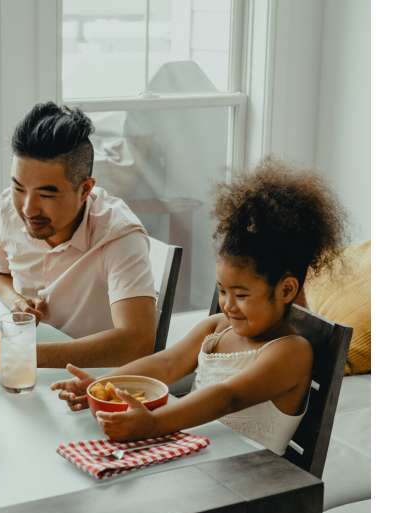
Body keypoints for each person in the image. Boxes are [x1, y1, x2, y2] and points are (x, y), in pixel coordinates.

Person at [51, 159, 347, 454]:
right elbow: (166, 363)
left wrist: (153, 424)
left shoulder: (290, 351)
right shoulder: (216, 329)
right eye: (222, 290)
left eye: (241, 295)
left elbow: (226, 397)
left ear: (286, 290)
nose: (228, 305)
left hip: (251, 482)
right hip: (195, 457)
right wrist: (102, 384)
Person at [0, 102, 158, 372]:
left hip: (94, 380)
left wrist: (19, 354)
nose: (28, 208)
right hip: (26, 370)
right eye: (19, 187)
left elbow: (137, 342)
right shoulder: (9, 208)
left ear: (86, 189)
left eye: (46, 194)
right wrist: (15, 300)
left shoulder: (119, 236)